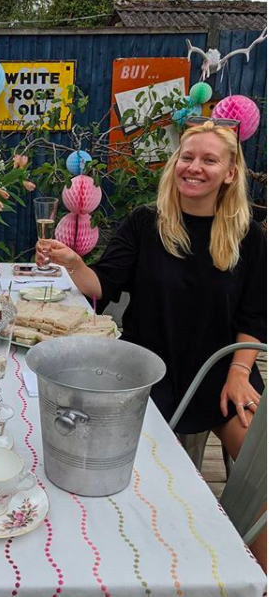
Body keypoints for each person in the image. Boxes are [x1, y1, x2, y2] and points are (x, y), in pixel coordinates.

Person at [37, 120, 266, 569]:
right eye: (187, 156)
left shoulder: (248, 235)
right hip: (146, 375)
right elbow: (104, 284)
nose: (194, 167)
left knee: (264, 473)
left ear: (230, 173)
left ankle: (256, 577)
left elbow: (253, 317)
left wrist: (240, 374)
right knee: (148, 483)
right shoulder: (146, 222)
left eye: (208, 160)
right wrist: (75, 263)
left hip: (222, 376)